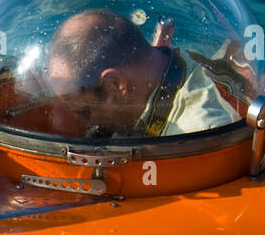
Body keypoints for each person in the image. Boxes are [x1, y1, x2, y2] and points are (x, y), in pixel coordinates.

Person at [42, 9, 241, 138]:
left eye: (85, 110)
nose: (83, 124)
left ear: (114, 84)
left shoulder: (196, 132)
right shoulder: (169, 62)